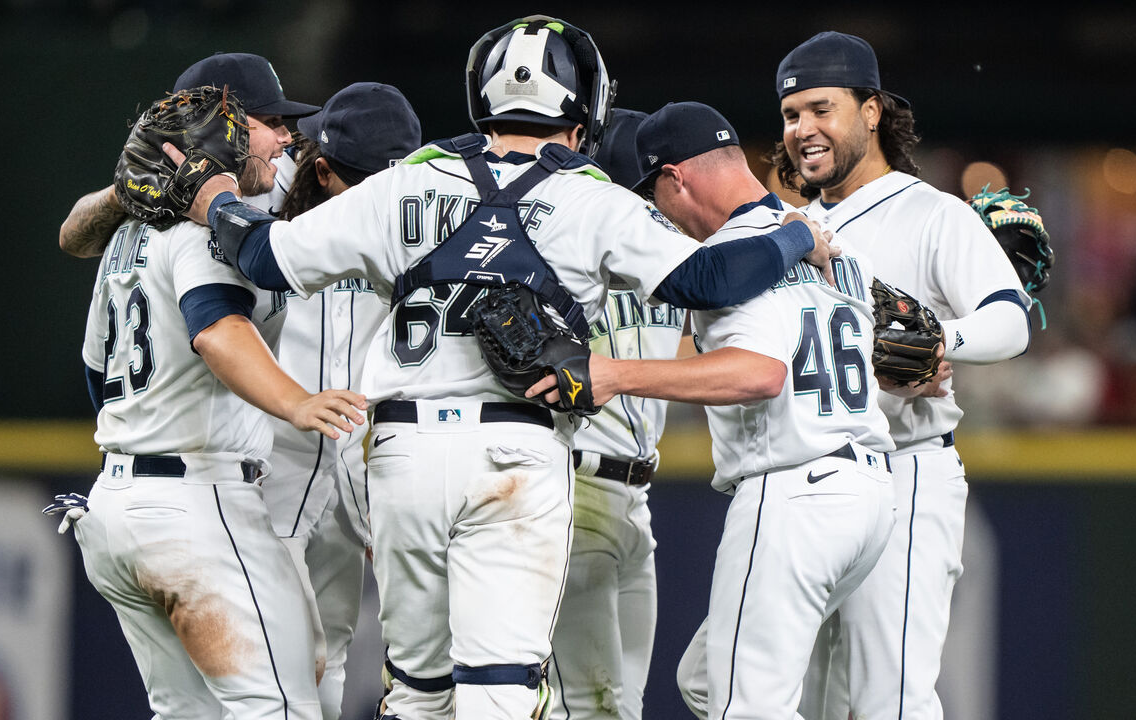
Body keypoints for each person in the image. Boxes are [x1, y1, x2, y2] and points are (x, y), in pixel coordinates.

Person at [169, 16, 836, 720]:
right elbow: (710, 280)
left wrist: (214, 201)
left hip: (403, 451)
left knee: (420, 696)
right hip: (516, 453)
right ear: (584, 116)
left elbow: (265, 257)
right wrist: (795, 233)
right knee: (499, 692)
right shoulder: (594, 199)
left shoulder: (406, 183)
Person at [532, 99, 898, 720]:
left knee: (743, 707)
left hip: (795, 493)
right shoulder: (822, 239)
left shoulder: (736, 253)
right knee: (705, 682)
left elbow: (759, 372)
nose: (656, 216)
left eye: (653, 195)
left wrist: (616, 374)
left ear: (674, 178)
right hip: (869, 496)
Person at [59, 82, 367, 719]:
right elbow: (216, 328)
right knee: (281, 709)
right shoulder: (201, 233)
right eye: (269, 125)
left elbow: (96, 369)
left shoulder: (124, 238)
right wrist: (294, 402)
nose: (286, 139)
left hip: (116, 505)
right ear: (217, 144)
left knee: (188, 715)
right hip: (195, 505)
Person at [772, 32, 1032, 720]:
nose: (803, 129)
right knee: (759, 688)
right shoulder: (790, 227)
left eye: (821, 109)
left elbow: (1010, 320)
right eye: (792, 114)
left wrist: (941, 338)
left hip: (905, 472)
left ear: (872, 110)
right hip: (809, 479)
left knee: (890, 699)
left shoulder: (932, 213)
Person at [266, 82, 422, 720]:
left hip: (358, 454)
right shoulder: (267, 189)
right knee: (258, 663)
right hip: (272, 457)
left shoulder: (425, 202)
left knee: (327, 656)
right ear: (321, 167)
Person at [545, 107, 683, 720]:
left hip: (635, 498)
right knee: (594, 705)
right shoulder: (563, 255)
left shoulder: (673, 258)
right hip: (575, 486)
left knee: (621, 703)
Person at [58, 52, 317, 258]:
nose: (285, 136)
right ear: (219, 125)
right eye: (271, 121)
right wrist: (124, 192)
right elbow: (71, 240)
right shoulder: (164, 191)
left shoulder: (292, 168)